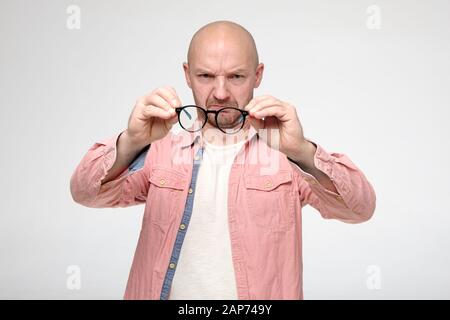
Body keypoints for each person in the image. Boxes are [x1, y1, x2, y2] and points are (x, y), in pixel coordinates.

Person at [70, 20, 376, 300]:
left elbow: (359, 208)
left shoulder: (287, 156)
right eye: (205, 76)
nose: (220, 92)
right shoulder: (160, 151)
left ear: (257, 76)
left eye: (236, 76)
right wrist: (131, 141)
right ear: (187, 75)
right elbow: (85, 192)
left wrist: (302, 152)